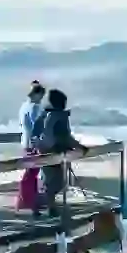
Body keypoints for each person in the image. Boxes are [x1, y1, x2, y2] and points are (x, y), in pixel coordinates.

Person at [32, 88, 88, 217]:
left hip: (43, 151)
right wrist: (79, 147)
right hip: (55, 152)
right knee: (56, 183)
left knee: (50, 181)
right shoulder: (58, 116)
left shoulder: (45, 114)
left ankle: (46, 207)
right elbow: (65, 136)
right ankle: (42, 205)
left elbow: (37, 134)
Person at [16, 81, 47, 211]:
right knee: (31, 174)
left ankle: (30, 201)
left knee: (31, 173)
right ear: (37, 94)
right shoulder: (35, 107)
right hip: (33, 144)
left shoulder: (24, 106)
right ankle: (25, 202)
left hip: (25, 142)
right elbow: (37, 127)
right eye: (41, 96)